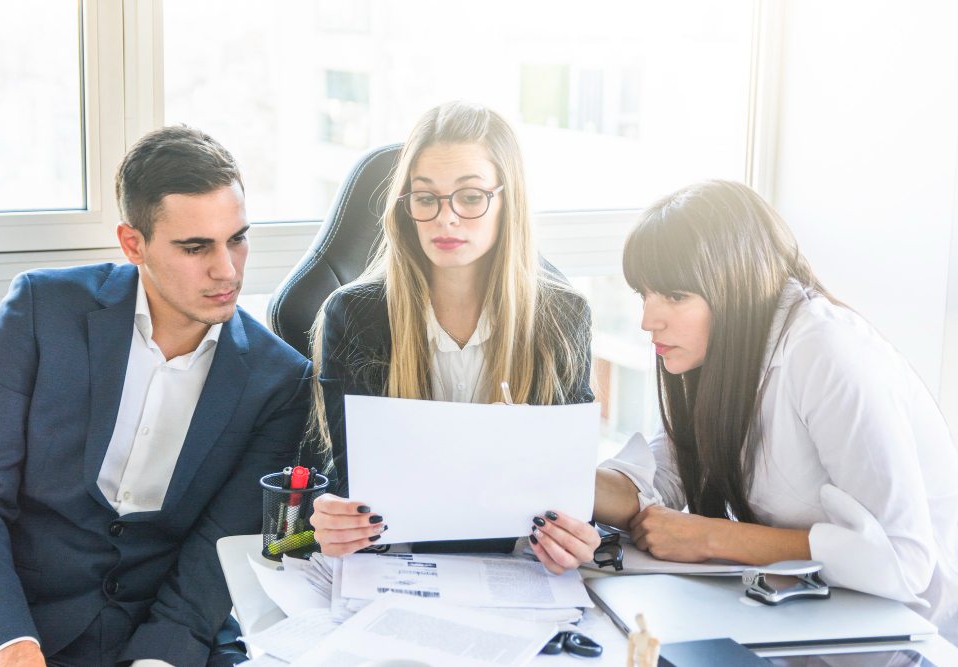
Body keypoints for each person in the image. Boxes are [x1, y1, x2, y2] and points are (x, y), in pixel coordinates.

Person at [0, 126, 315, 667]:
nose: (227, 269)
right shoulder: (40, 310)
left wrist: (158, 659)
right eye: (196, 247)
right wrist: (6, 643)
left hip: (173, 627)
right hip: (21, 617)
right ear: (133, 244)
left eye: (237, 238)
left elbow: (220, 547)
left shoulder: (279, 379)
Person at [594, 179, 958, 640]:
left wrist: (709, 537)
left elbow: (904, 563)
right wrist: (552, 478)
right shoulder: (723, 353)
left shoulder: (827, 351)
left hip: (909, 635)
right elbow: (663, 475)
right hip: (817, 618)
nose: (648, 320)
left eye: (675, 296)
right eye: (642, 294)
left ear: (734, 286)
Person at [308, 101, 600, 572]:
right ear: (407, 209)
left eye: (470, 196)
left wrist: (578, 537)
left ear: (508, 202)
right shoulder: (355, 315)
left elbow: (566, 496)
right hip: (393, 570)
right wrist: (328, 520)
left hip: (520, 573)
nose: (446, 219)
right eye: (426, 198)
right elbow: (342, 486)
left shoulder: (563, 319)